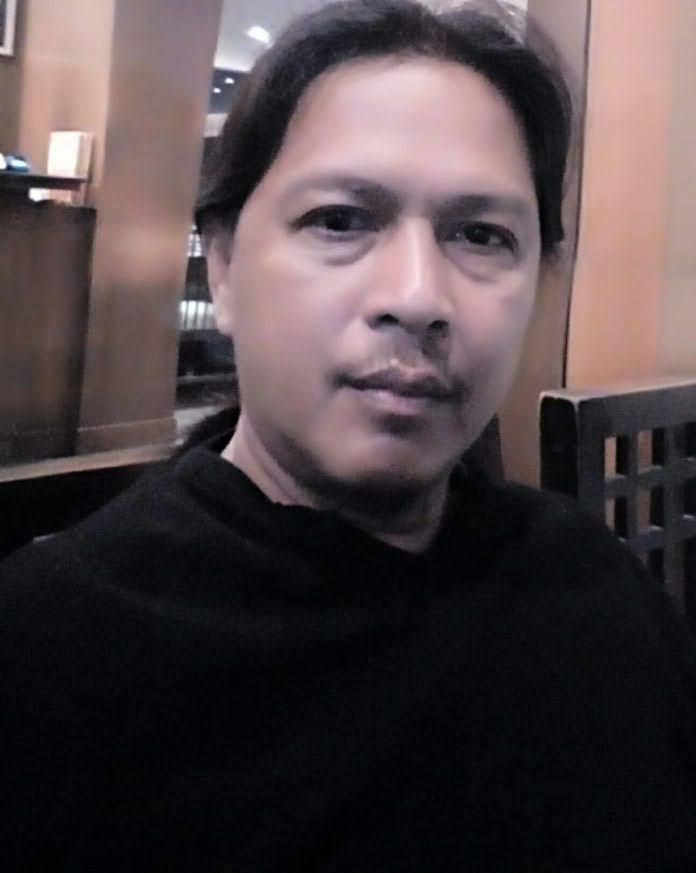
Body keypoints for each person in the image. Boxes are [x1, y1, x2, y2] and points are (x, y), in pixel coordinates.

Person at [1, 1, 695, 870]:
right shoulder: (47, 654)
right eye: (340, 220)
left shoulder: (598, 596)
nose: (418, 296)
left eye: (482, 235)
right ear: (224, 265)